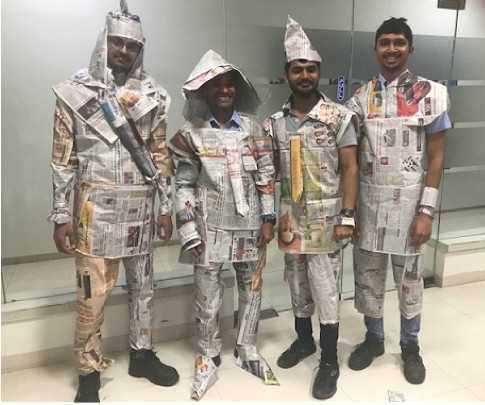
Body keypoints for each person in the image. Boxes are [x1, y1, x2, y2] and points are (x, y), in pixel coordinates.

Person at [49, 1, 178, 401]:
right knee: (92, 295)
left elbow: (160, 154)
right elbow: (63, 158)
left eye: (131, 45)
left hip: (140, 207)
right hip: (93, 210)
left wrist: (166, 208)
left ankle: (142, 354)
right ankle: (88, 371)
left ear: (140, 50)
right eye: (117, 42)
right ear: (104, 42)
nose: (124, 50)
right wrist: (60, 214)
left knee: (144, 287)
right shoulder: (74, 93)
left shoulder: (153, 95)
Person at [345, 17, 451, 384]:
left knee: (409, 280)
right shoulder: (360, 99)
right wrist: (349, 212)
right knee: (367, 277)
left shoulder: (429, 94)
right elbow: (350, 161)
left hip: (410, 207)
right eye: (385, 42)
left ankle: (409, 344)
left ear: (410, 49)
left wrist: (426, 212)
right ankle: (374, 338)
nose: (392, 49)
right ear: (376, 49)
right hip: (369, 205)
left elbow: (436, 158)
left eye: (399, 42)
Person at [168, 49, 278, 400]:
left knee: (252, 289)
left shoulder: (254, 130)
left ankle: (247, 347)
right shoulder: (191, 134)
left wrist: (268, 220)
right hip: (208, 227)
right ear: (205, 90)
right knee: (207, 295)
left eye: (230, 84)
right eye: (217, 85)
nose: (225, 90)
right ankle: (209, 351)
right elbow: (184, 184)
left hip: (249, 227)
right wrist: (188, 229)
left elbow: (265, 177)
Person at [263, 16, 358, 400]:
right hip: (291, 218)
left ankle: (329, 361)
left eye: (311, 69)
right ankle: (304, 341)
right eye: (297, 69)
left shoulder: (338, 117)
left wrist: (347, 216)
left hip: (327, 220)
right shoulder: (275, 124)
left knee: (325, 289)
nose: (305, 75)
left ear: (319, 72)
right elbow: (270, 172)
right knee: (297, 284)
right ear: (286, 74)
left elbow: (350, 168)